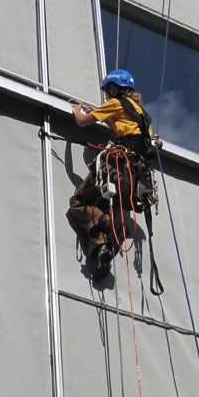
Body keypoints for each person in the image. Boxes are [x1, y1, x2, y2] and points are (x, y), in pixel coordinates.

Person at [70, 69, 159, 280]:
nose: (107, 96)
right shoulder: (143, 116)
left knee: (79, 201)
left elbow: (82, 121)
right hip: (136, 176)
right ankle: (105, 248)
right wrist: (102, 114)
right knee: (117, 209)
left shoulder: (115, 103)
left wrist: (77, 110)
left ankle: (103, 235)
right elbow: (122, 127)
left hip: (117, 166)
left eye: (108, 91)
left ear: (112, 88)